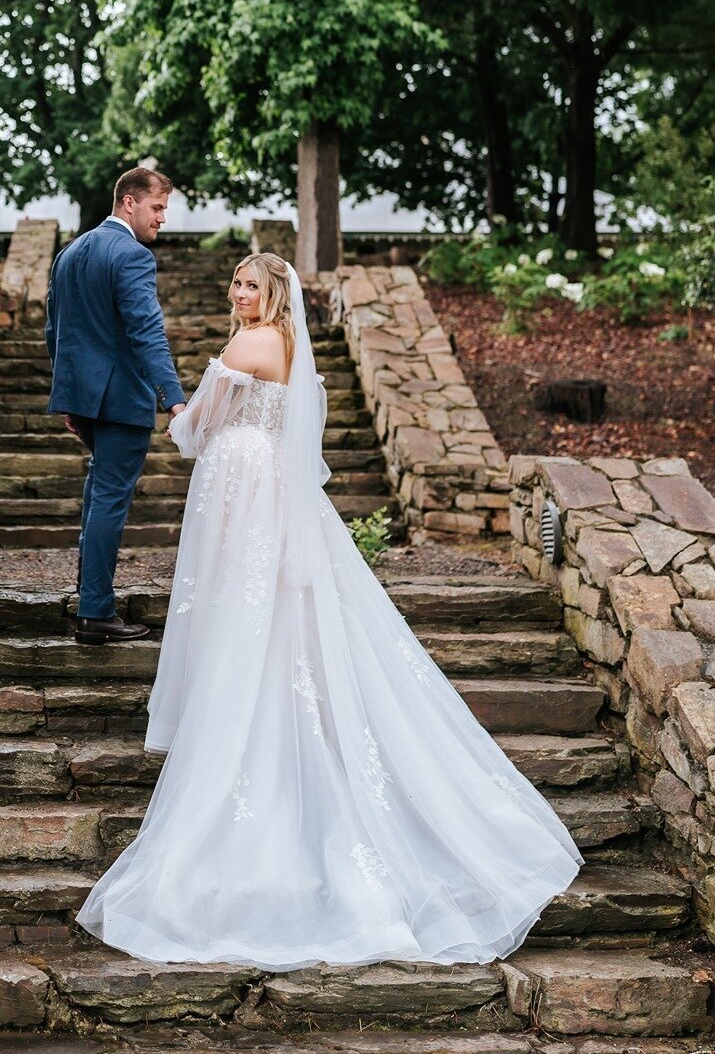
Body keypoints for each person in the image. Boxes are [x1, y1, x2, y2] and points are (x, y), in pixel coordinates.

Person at [76, 251, 583, 968]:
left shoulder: (246, 344)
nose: (238, 292)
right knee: (281, 622)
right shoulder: (289, 347)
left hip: (241, 494)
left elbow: (194, 434)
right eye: (237, 283)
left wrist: (180, 418)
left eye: (251, 284)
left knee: (245, 622)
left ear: (274, 293)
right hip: (272, 496)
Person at [45, 166, 186, 647]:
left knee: (96, 492)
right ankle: (96, 613)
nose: (162, 218)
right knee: (109, 497)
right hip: (122, 400)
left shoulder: (70, 253)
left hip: (84, 400)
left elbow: (55, 330)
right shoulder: (132, 255)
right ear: (129, 202)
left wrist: (67, 395)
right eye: (158, 207)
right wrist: (175, 398)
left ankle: (90, 594)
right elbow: (147, 332)